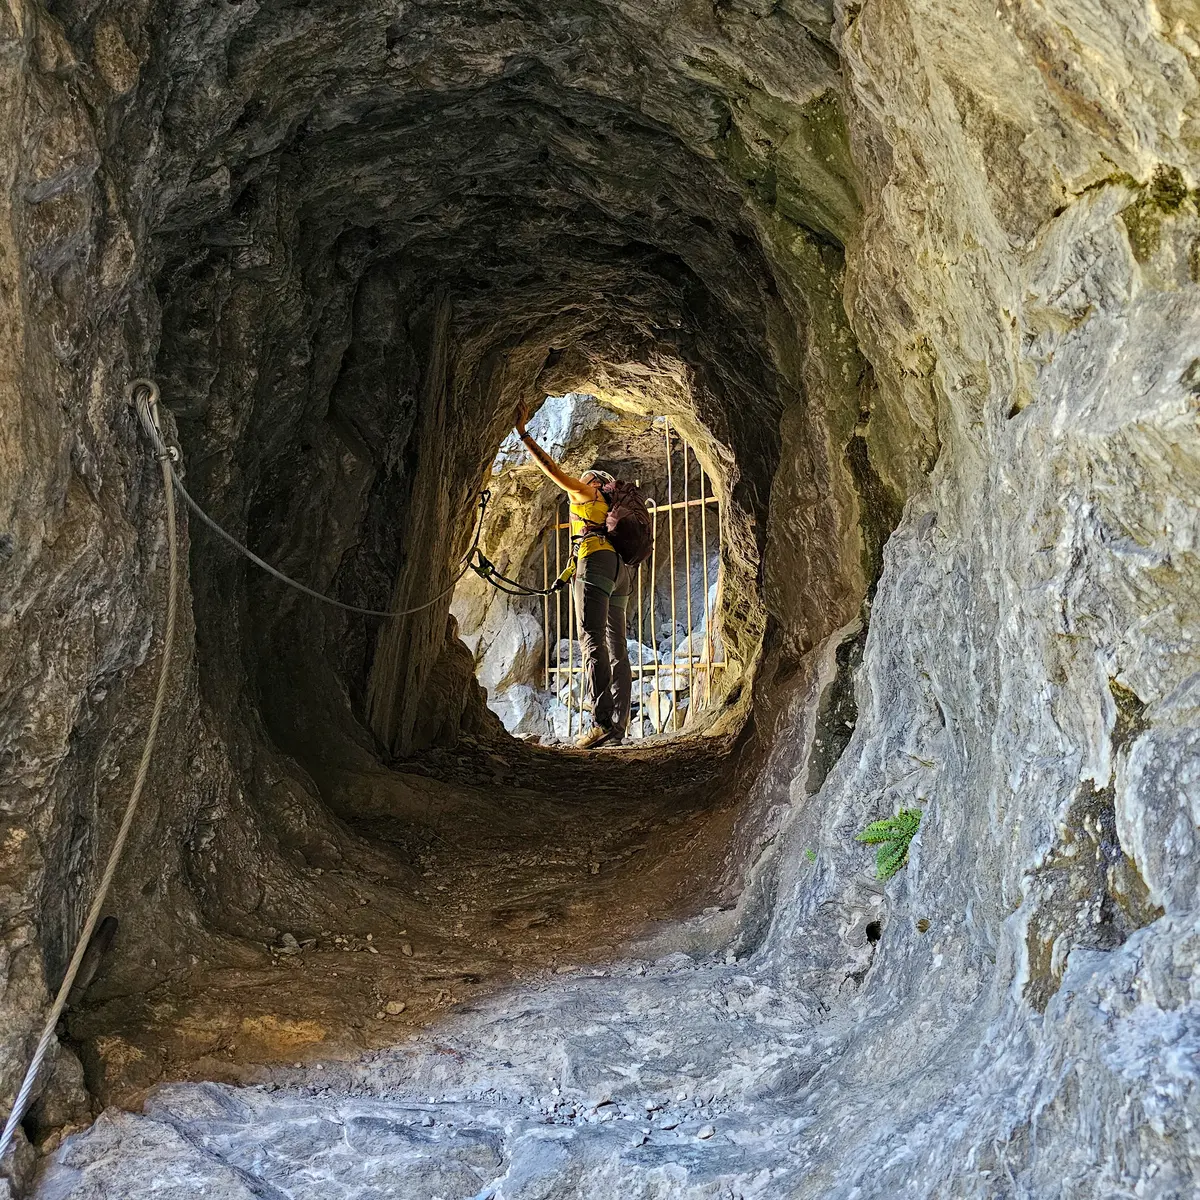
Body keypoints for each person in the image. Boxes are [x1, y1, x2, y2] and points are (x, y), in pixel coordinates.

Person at [515, 409, 633, 749]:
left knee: (591, 640)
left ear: (594, 482)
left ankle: (600, 723)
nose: (579, 482)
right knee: (617, 648)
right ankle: (618, 725)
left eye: (586, 478)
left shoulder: (587, 494)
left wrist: (524, 435)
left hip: (595, 564)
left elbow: (553, 471)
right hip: (618, 570)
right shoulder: (606, 509)